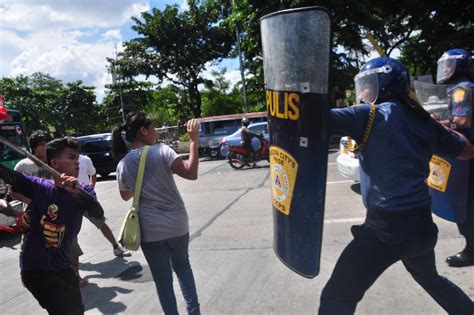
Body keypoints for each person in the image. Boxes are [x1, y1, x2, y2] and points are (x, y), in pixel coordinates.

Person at [319, 57, 474, 314]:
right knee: (433, 281)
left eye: (368, 85)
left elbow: (311, 120)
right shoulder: (423, 120)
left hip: (385, 231)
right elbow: (467, 151)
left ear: (384, 85)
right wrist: (439, 127)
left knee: (336, 297)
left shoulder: (370, 114)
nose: (364, 92)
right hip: (422, 229)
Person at [0, 137, 104, 315]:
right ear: (54, 163)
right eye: (71, 157)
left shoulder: (84, 190)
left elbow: (98, 213)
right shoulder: (38, 187)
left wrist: (77, 192)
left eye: (77, 158)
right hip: (37, 269)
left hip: (65, 266)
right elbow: (8, 175)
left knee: (77, 311)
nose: (77, 162)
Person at [112, 112, 201, 315]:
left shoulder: (123, 164)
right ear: (143, 131)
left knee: (163, 281)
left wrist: (141, 181)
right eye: (153, 129)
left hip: (150, 231)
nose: (156, 133)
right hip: (177, 225)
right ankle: (194, 311)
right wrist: (194, 141)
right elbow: (191, 172)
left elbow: (126, 196)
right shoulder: (162, 151)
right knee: (183, 267)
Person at [435, 48, 474, 267]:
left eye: (448, 66)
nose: (445, 70)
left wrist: (437, 124)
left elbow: (461, 122)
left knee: (466, 205)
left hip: (467, 156)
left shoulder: (461, 89)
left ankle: (471, 250)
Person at [77, 154, 131, 258]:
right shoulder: (61, 161)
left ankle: (116, 247)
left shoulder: (85, 160)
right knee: (70, 228)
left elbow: (93, 174)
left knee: (100, 222)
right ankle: (71, 256)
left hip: (86, 198)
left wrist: (91, 188)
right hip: (70, 198)